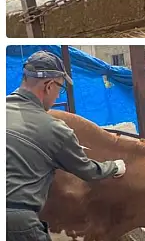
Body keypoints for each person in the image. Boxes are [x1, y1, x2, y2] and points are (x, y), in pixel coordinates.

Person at [7, 51, 126, 241]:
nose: (57, 95)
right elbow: (88, 171)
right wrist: (115, 166)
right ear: (48, 86)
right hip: (16, 224)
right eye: (60, 89)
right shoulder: (54, 129)